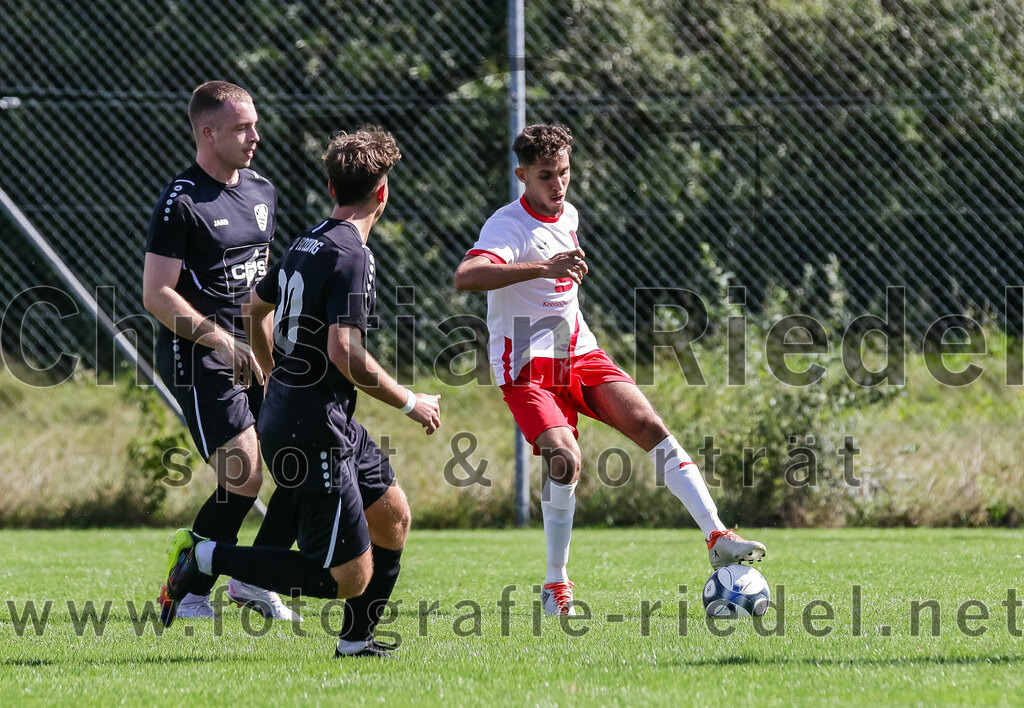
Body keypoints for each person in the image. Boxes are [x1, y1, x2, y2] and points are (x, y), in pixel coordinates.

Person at [453, 123, 766, 616]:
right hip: (527, 368)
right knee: (565, 459)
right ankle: (556, 585)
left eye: (564, 172)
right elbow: (466, 276)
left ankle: (717, 536)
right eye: (545, 175)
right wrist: (543, 268)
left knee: (650, 425)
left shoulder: (569, 213)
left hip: (579, 353)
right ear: (522, 175)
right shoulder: (506, 226)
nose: (558, 184)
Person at [159, 126, 441, 658]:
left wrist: (275, 375)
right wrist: (410, 402)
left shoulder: (307, 241)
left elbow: (252, 308)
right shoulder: (353, 255)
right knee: (345, 577)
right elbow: (345, 352)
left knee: (393, 517)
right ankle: (204, 558)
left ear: (332, 189)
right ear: (383, 192)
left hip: (319, 416)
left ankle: (356, 643)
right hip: (312, 427)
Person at [143, 80, 296, 621]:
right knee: (244, 476)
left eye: (255, 125)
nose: (255, 137)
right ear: (207, 133)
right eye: (241, 128)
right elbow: (156, 294)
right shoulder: (181, 202)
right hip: (199, 356)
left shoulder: (262, 191)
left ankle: (253, 580)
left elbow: (259, 293)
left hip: (255, 351)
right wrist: (219, 339)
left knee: (301, 465)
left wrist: (270, 358)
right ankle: (187, 592)